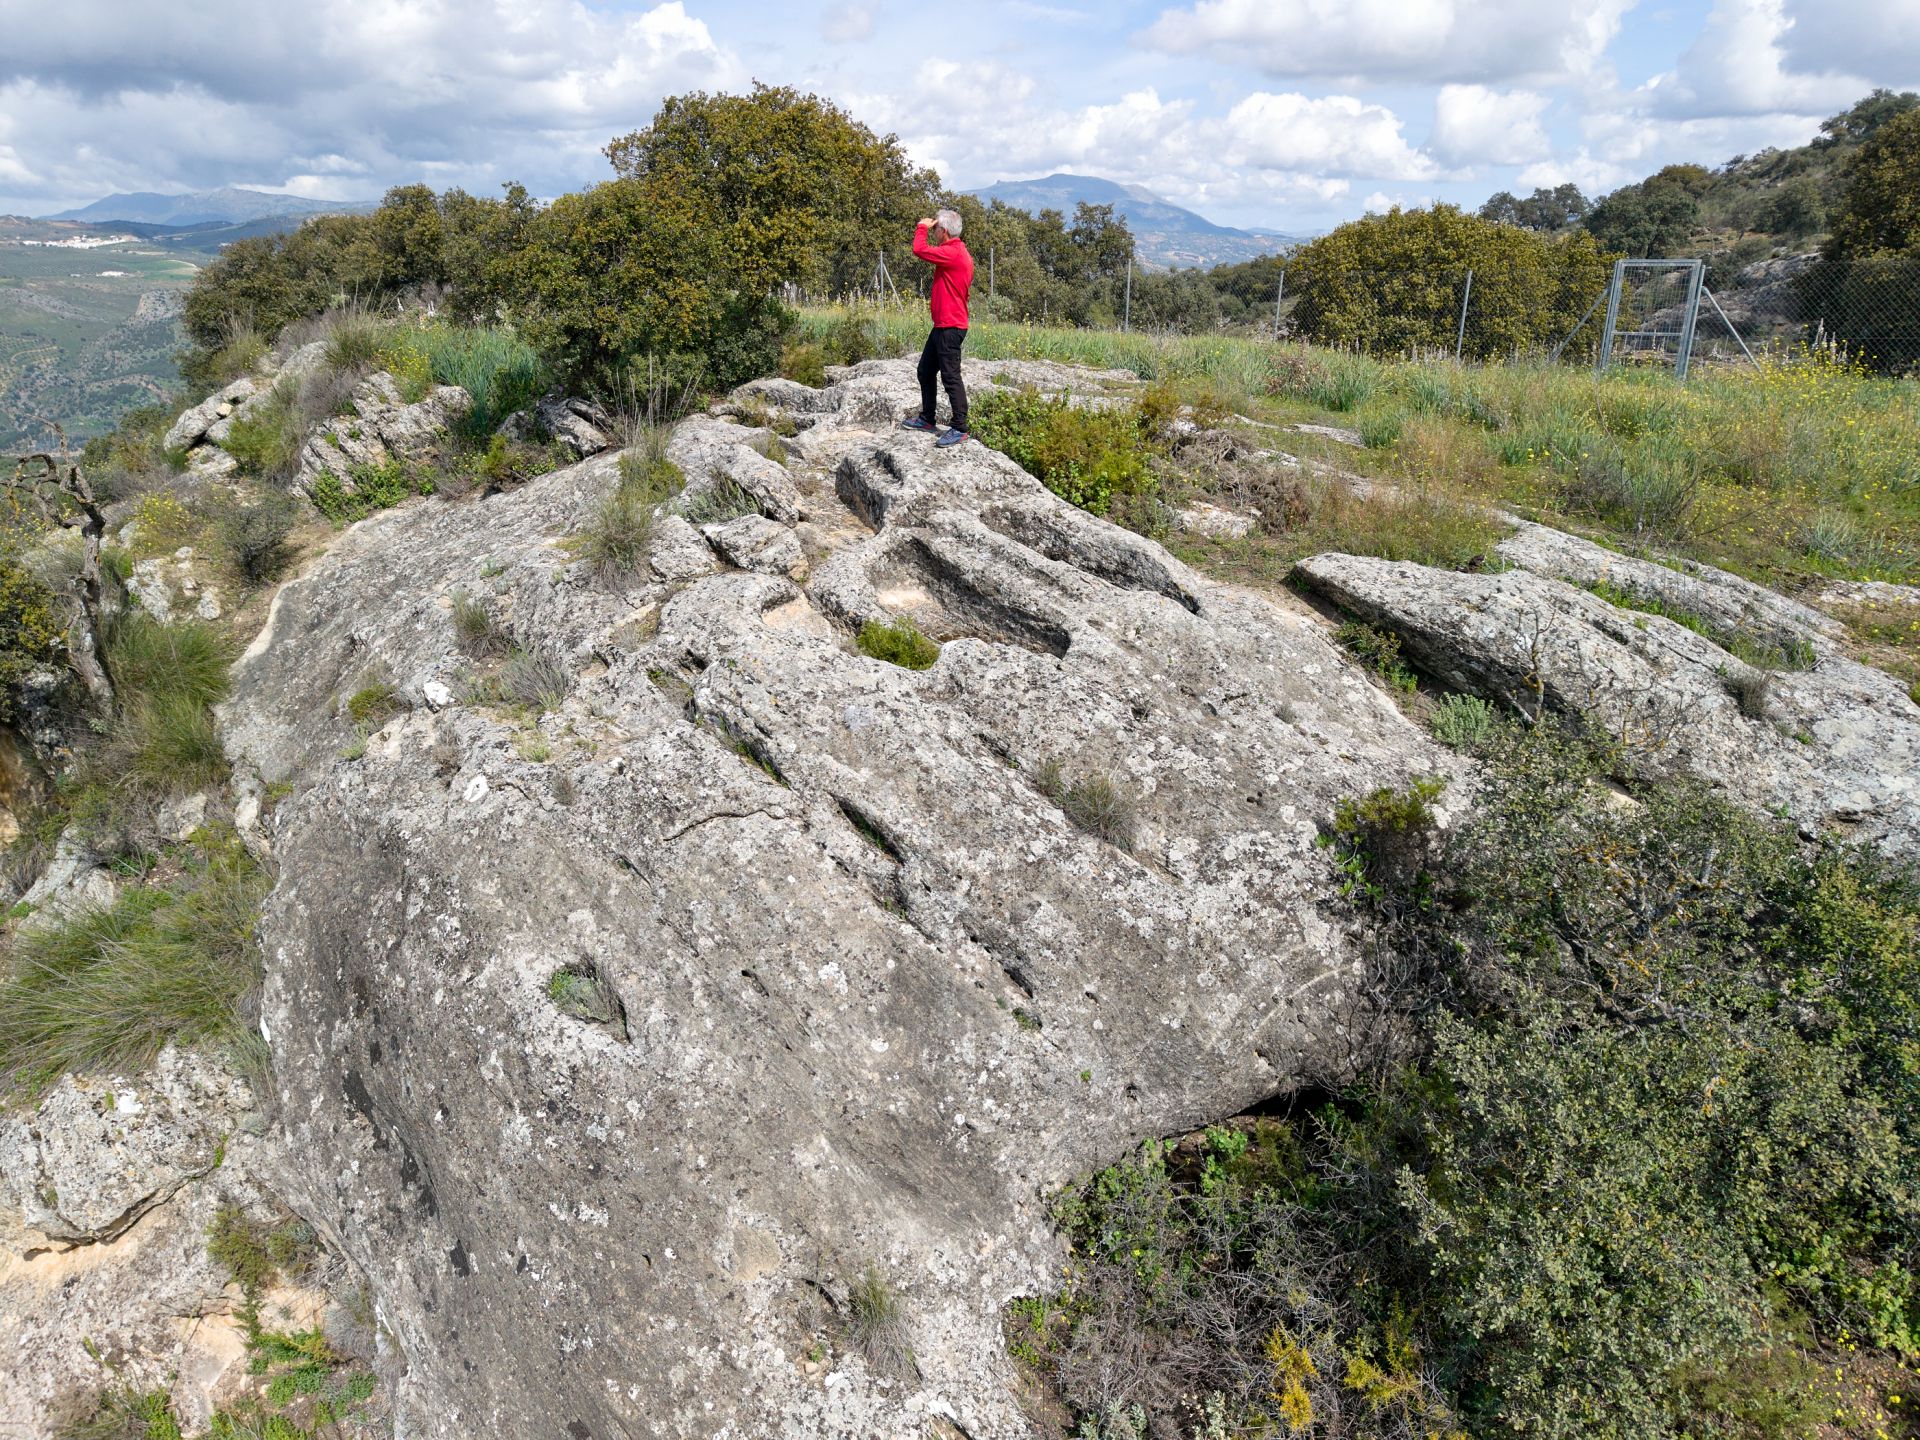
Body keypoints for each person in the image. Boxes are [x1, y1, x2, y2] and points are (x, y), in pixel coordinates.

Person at [901, 208, 974, 447]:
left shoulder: (953, 252)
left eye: (936, 230)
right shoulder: (954, 251)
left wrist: (921, 227)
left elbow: (919, 249)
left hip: (950, 326)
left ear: (944, 231)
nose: (933, 233)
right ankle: (927, 418)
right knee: (925, 370)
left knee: (951, 377)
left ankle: (960, 427)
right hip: (943, 325)